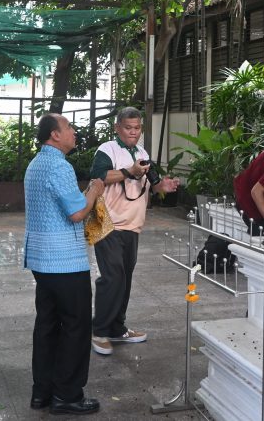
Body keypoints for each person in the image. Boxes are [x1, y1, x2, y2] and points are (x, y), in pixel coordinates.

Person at [23, 114, 104, 415]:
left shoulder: (36, 164)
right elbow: (77, 213)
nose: (73, 131)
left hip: (42, 259)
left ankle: (42, 392)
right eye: (68, 127)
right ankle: (67, 395)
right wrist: (94, 191)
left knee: (47, 324)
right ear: (55, 135)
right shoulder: (59, 165)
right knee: (75, 325)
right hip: (64, 260)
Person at [88, 107, 178, 356]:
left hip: (132, 224)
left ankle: (117, 328)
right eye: (128, 128)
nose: (133, 132)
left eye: (137, 128)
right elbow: (98, 177)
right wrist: (130, 171)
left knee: (125, 277)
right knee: (113, 276)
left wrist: (164, 186)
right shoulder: (107, 149)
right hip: (105, 221)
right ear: (117, 128)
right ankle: (99, 331)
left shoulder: (142, 153)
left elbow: (154, 182)